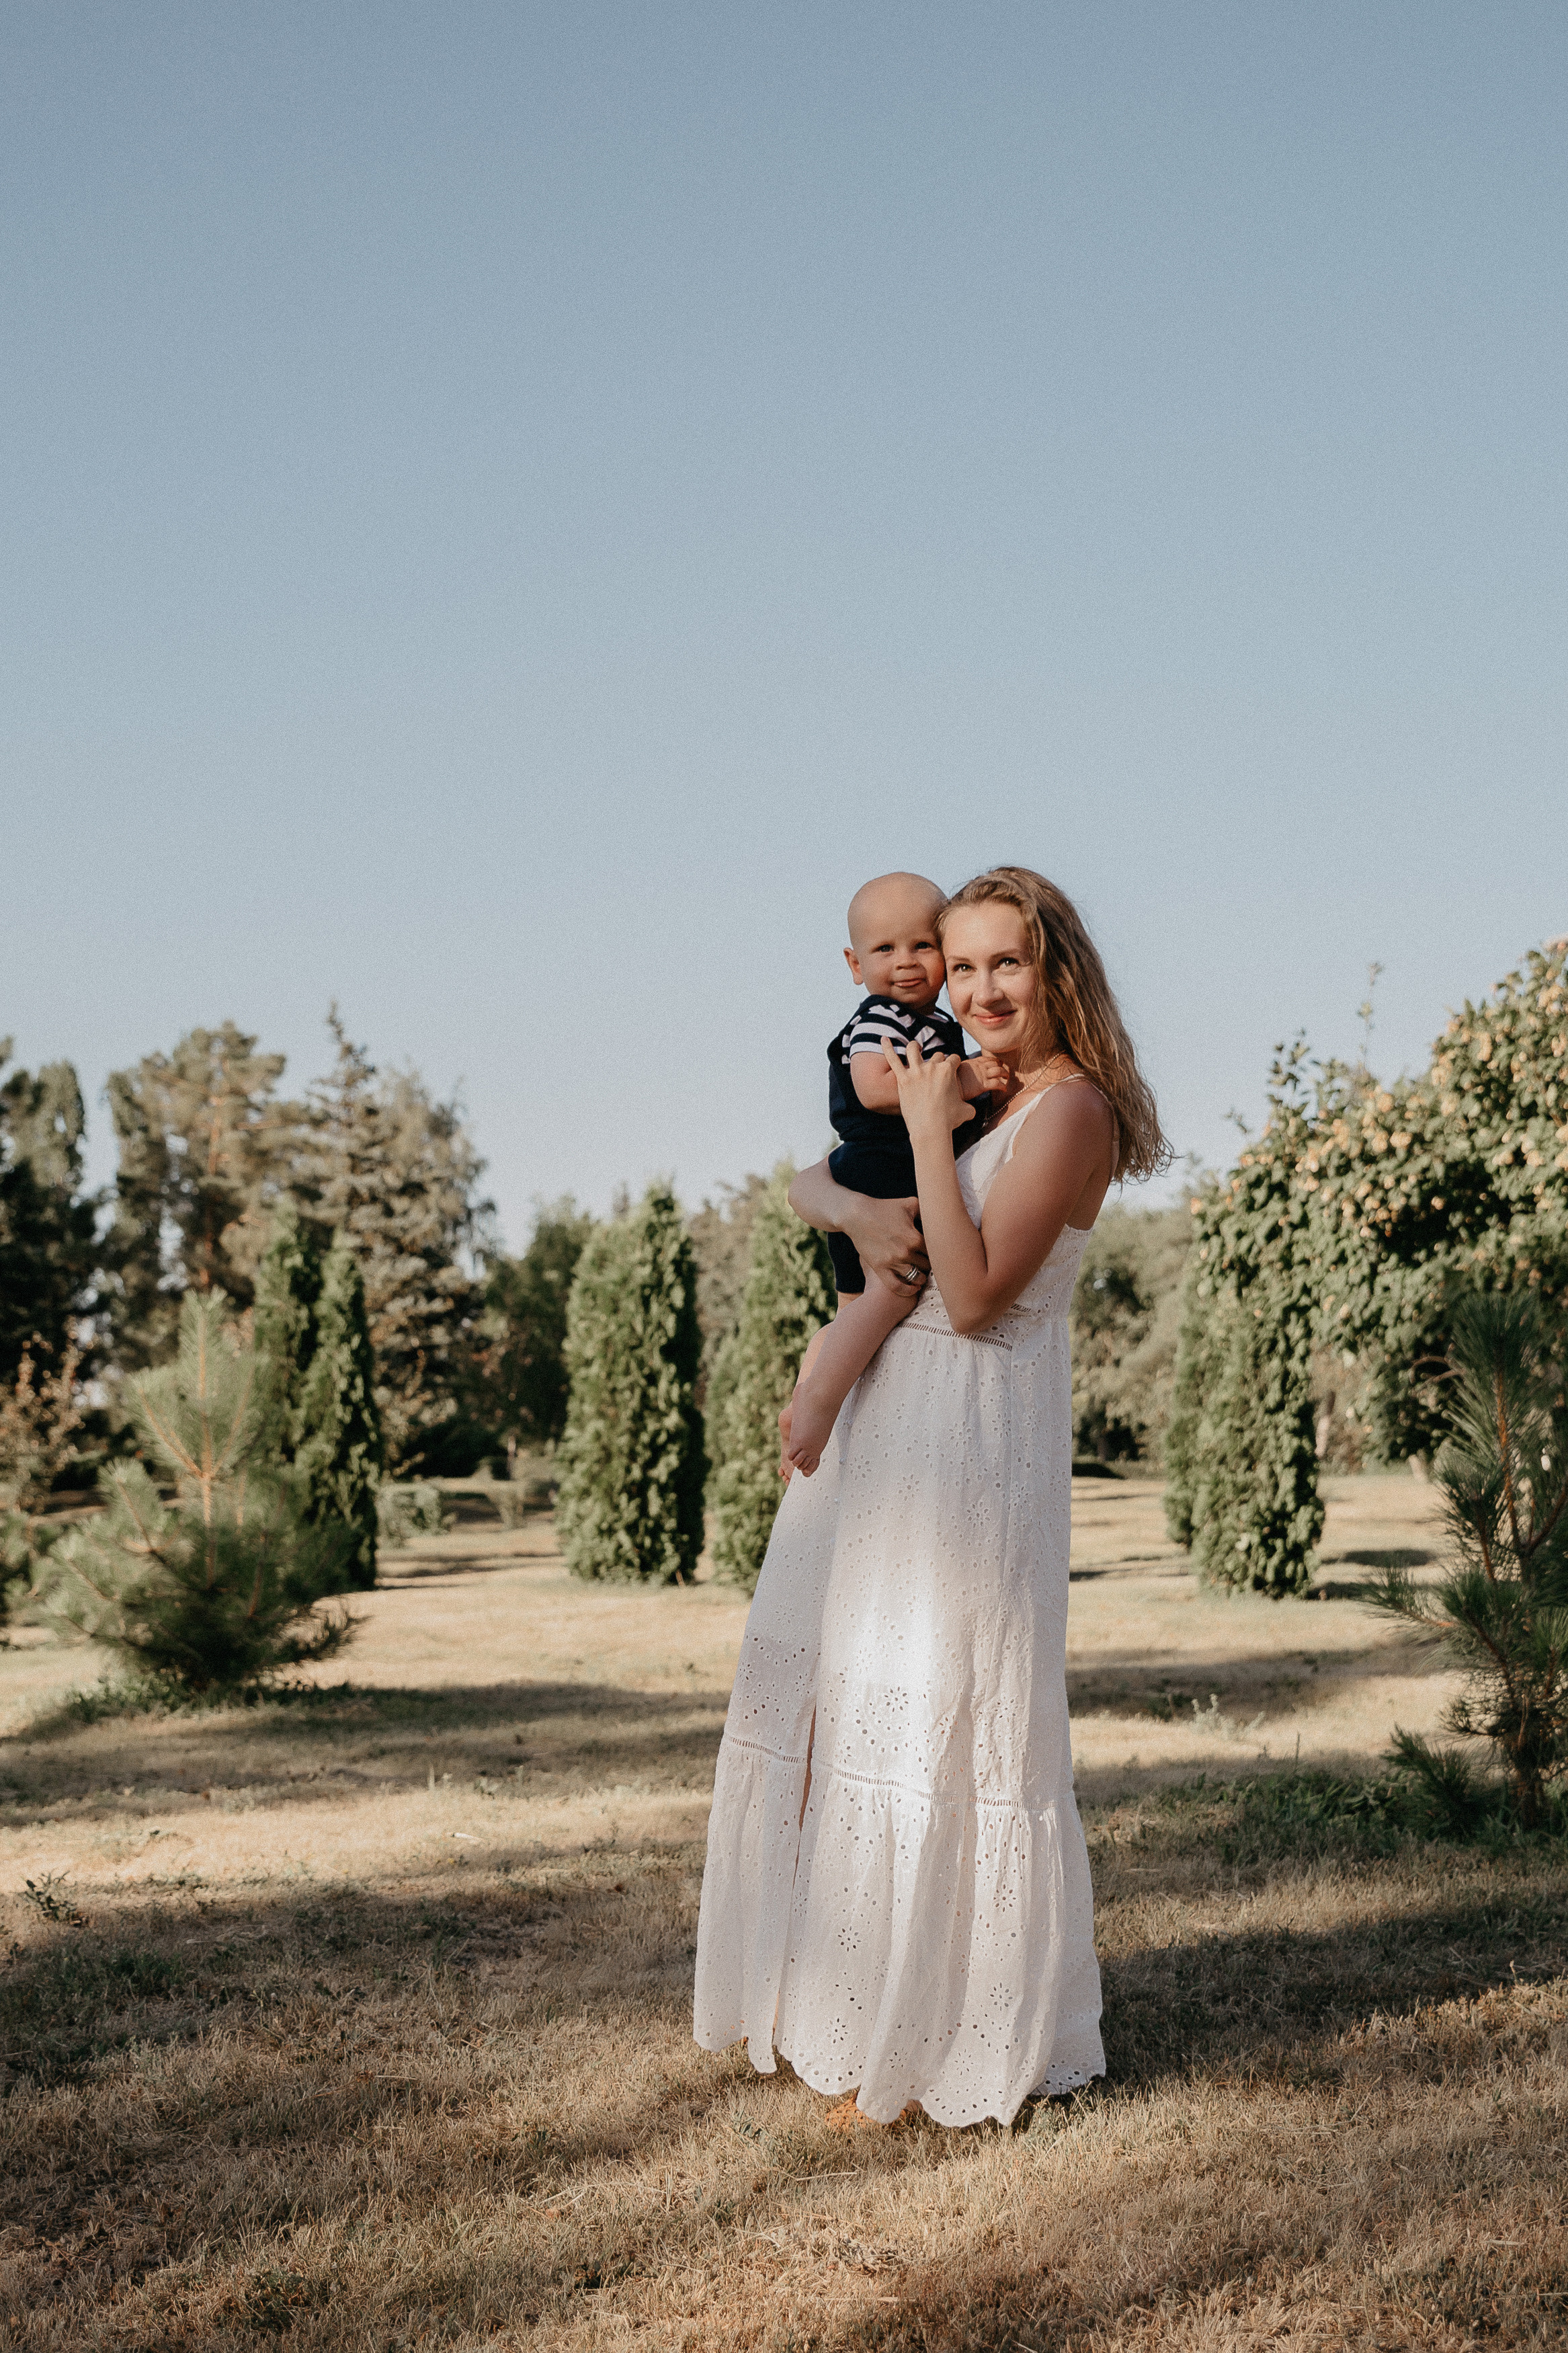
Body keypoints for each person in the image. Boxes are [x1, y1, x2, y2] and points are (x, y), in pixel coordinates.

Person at [693, 865, 1168, 2128]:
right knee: (846, 1712)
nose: (979, 990)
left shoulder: (1067, 1112)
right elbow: (805, 1184)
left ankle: (943, 2035)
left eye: (1005, 962)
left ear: (1057, 968)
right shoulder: (968, 1085)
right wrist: (855, 1204)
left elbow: (970, 1297)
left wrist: (913, 1135)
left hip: (970, 1438)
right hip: (884, 1435)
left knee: (941, 1725)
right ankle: (843, 2014)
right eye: (960, 969)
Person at [782, 869, 1009, 1477]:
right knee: (893, 1289)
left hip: (874, 1171)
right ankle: (820, 1403)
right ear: (855, 965)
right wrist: (963, 1077)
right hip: (881, 1167)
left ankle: (808, 1385)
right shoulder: (883, 1017)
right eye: (885, 949)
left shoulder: (932, 1024)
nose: (905, 962)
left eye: (921, 945)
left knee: (854, 1308)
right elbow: (875, 1088)